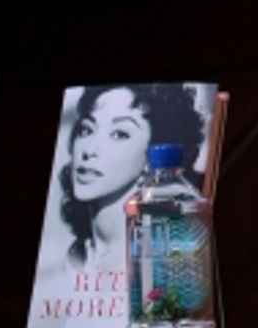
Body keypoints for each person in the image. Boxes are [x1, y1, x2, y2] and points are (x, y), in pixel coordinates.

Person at [54, 82, 207, 271]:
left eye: (119, 134)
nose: (89, 149)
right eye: (87, 130)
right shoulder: (71, 258)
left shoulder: (168, 262)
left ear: (153, 155)